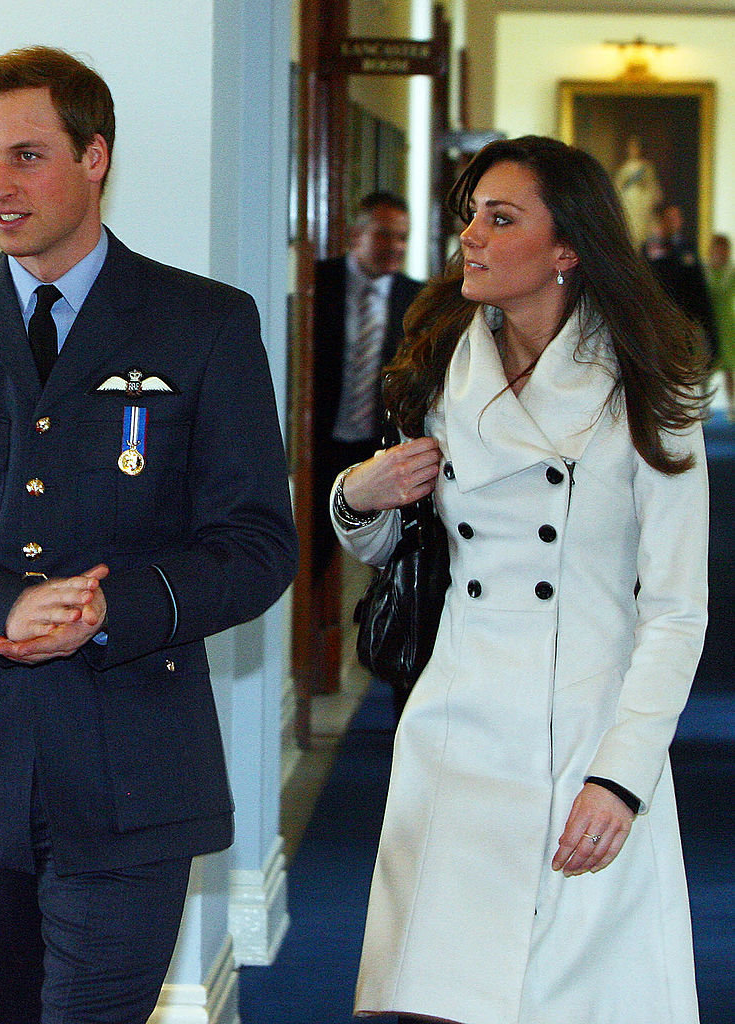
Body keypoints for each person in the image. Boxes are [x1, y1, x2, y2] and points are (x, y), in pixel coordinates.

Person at [0, 46, 297, 1024]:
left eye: (28, 156)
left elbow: (257, 540)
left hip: (135, 756)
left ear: (96, 157)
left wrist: (108, 609)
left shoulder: (203, 323)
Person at [332, 135, 708, 1023]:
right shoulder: (435, 365)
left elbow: (676, 613)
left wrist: (620, 778)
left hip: (583, 735)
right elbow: (409, 556)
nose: (472, 236)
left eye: (501, 219)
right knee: (437, 998)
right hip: (454, 729)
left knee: (570, 999)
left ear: (566, 248)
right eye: (469, 216)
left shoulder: (650, 382)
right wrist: (362, 493)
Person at [310, 192, 421, 699]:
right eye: (383, 234)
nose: (394, 246)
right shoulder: (316, 283)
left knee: (391, 565)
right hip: (318, 446)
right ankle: (311, 667)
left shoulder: (418, 301)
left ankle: (385, 653)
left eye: (402, 237)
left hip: (381, 454)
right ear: (356, 235)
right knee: (310, 556)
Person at [644, 200, 718, 362]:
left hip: (683, 322)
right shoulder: (648, 250)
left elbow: (699, 290)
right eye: (670, 218)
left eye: (677, 218)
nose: (675, 222)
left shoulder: (686, 249)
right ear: (661, 220)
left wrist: (710, 332)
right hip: (656, 323)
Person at [613, 134, 661, 248]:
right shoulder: (624, 167)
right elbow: (617, 186)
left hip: (641, 203)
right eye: (631, 147)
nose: (633, 150)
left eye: (635, 147)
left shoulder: (647, 167)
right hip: (628, 202)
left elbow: (652, 186)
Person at [707, 232, 735, 421]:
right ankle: (702, 407)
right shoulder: (703, 271)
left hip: (727, 324)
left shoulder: (731, 272)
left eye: (724, 249)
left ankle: (732, 406)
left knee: (729, 368)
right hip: (708, 324)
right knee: (705, 369)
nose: (721, 252)